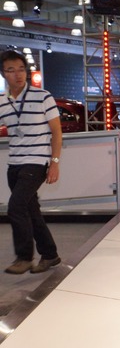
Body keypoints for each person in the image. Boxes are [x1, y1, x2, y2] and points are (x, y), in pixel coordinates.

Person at [0, 50, 62, 274]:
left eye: (21, 69)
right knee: (31, 211)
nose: (17, 74)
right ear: (3, 74)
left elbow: (56, 132)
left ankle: (24, 257)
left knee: (16, 206)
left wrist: (54, 162)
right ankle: (50, 254)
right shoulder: (2, 102)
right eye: (10, 70)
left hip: (36, 162)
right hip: (14, 165)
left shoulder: (43, 96)